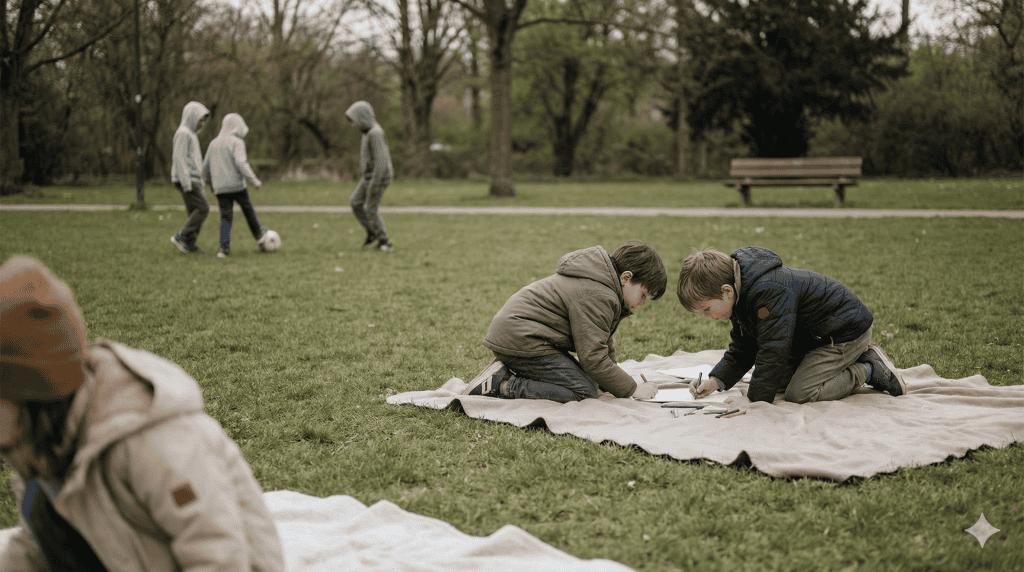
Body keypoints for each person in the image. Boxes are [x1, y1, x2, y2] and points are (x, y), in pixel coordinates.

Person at [0, 256, 285, 572]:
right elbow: (35, 547)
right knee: (38, 504)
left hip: (233, 563)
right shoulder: (42, 448)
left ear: (37, 397)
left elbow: (217, 552)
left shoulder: (150, 438)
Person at [676, 246, 906, 413]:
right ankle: (853, 364)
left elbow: (773, 350)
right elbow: (744, 346)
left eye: (706, 309)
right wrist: (715, 381)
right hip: (811, 338)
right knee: (775, 384)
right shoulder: (739, 295)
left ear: (726, 291)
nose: (708, 317)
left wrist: (755, 402)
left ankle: (868, 367)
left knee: (800, 394)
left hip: (843, 332)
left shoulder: (768, 291)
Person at [465, 241, 666, 403]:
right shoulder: (598, 294)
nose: (643, 302)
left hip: (525, 336)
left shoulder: (603, 285)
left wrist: (613, 381)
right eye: (643, 294)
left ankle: (504, 372)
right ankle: (501, 384)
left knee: (592, 383)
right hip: (521, 339)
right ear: (626, 277)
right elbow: (593, 360)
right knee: (584, 391)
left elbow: (601, 341)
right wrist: (632, 388)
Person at [203, 113, 269, 258]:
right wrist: (254, 180)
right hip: (237, 186)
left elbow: (205, 167)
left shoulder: (213, 143)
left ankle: (223, 249)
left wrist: (210, 184)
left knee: (226, 217)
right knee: (248, 211)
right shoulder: (236, 142)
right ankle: (261, 238)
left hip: (220, 188)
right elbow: (241, 163)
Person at [344, 100, 394, 252]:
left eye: (355, 121)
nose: (353, 125)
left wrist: (375, 183)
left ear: (363, 117)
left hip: (378, 178)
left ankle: (384, 241)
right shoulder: (367, 133)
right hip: (368, 177)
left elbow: (381, 161)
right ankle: (372, 232)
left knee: (371, 208)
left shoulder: (376, 134)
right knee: (355, 202)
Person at [170, 101, 211, 254]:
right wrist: (186, 182)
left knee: (194, 211)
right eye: (200, 120)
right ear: (191, 118)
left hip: (193, 179)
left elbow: (194, 160)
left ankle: (190, 244)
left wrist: (201, 180)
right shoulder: (183, 133)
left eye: (204, 121)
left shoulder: (191, 135)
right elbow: (179, 159)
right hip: (186, 180)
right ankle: (181, 236)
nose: (202, 124)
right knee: (203, 208)